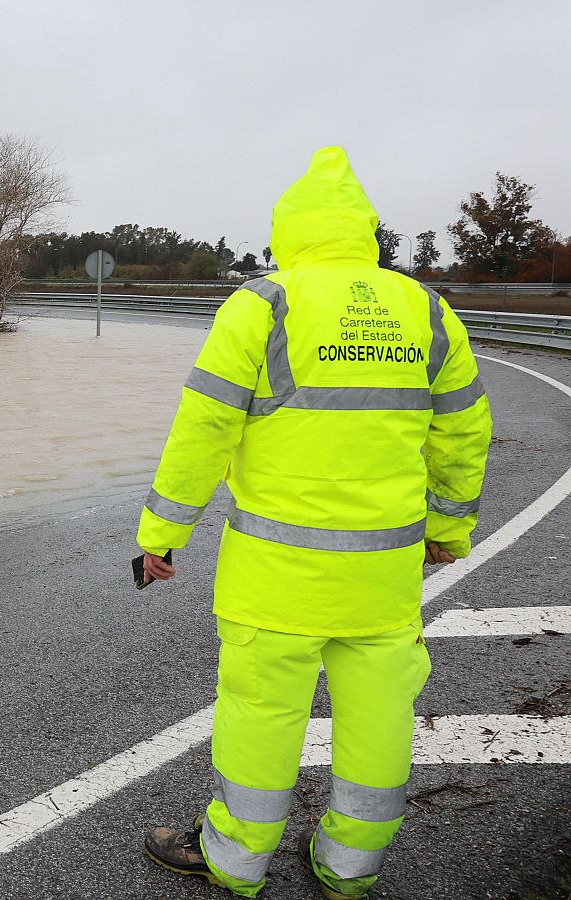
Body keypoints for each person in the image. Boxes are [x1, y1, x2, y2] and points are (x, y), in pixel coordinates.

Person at [136, 146, 492, 899]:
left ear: (289, 230)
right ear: (364, 231)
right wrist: (449, 529)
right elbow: (462, 433)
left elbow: (204, 428)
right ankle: (347, 866)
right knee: (380, 717)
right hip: (382, 579)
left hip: (275, 579)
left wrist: (163, 534)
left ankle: (235, 859)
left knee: (261, 715)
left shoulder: (264, 304)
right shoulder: (424, 309)